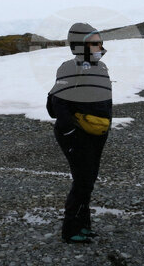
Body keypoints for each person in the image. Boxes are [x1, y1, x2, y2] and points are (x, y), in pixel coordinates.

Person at [46, 22, 112, 244]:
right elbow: (56, 105)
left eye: (100, 41)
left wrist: (104, 128)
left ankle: (83, 226)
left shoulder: (101, 68)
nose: (100, 45)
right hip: (75, 134)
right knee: (82, 181)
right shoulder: (69, 68)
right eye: (94, 42)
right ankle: (70, 230)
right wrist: (72, 129)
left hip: (97, 134)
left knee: (88, 180)